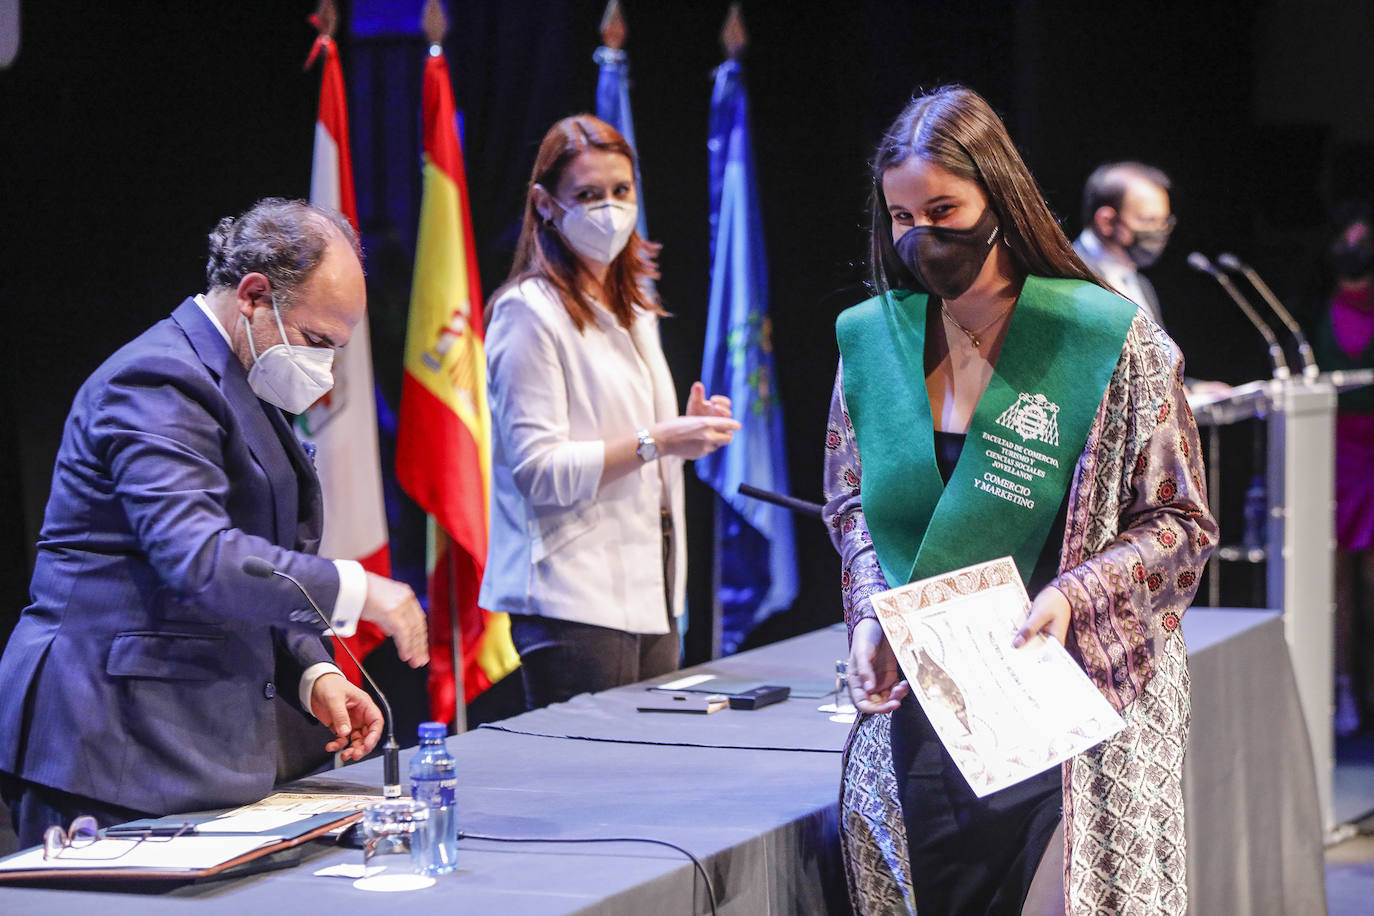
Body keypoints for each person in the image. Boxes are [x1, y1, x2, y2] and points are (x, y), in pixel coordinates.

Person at [824, 87, 1216, 914]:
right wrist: (868, 615)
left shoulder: (1105, 335)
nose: (918, 235)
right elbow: (853, 507)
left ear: (997, 200)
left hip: (1074, 703)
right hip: (929, 707)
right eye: (899, 216)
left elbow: (1180, 525)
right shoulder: (873, 342)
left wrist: (1074, 597)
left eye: (942, 208)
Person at [0, 199, 430, 849]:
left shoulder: (245, 381)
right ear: (255, 295)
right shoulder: (157, 379)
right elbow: (200, 559)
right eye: (318, 342)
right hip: (110, 749)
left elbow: (254, 565)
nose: (327, 370)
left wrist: (315, 674)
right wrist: (361, 589)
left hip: (192, 742)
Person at [480, 115, 738, 710]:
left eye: (621, 192)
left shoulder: (634, 307)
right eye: (588, 195)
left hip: (653, 588)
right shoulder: (528, 313)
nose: (609, 210)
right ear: (545, 204)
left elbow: (639, 438)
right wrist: (658, 440)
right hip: (574, 600)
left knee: (654, 781)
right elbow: (537, 472)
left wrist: (687, 434)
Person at [1315, 202, 1374, 736]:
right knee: (1339, 592)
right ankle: (1341, 696)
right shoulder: (1310, 305)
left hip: (1373, 456)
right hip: (1331, 455)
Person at [1072, 161, 1175, 327]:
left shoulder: (1142, 285)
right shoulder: (1071, 275)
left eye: (1164, 221)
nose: (1160, 230)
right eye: (1149, 220)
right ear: (1106, 221)